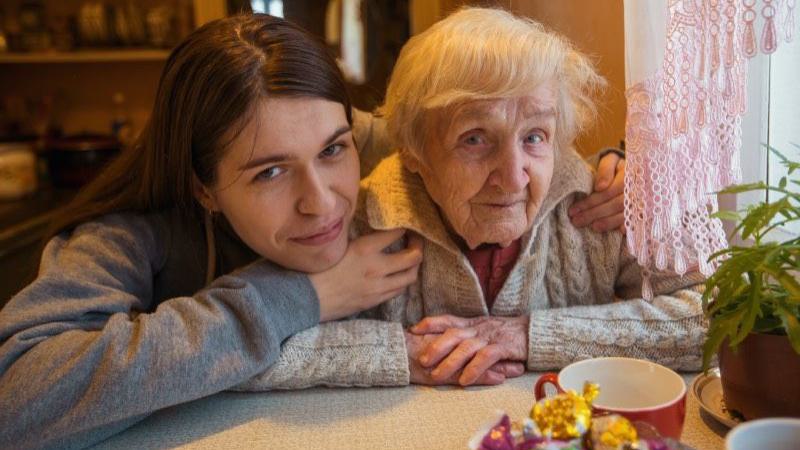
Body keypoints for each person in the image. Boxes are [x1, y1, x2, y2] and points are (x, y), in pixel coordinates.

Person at [0, 13, 626, 450]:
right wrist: (302, 296)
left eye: (333, 150)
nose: (323, 202)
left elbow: (476, 132)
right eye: (269, 172)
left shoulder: (372, 140)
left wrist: (614, 170)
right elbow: (16, 401)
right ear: (202, 187)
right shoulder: (126, 235)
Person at [235, 7, 707, 393]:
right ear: (414, 151)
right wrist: (402, 352)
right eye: (475, 139)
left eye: (535, 136)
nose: (513, 177)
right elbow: (240, 350)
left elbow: (718, 317)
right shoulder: (356, 222)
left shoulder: (597, 205)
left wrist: (527, 335)